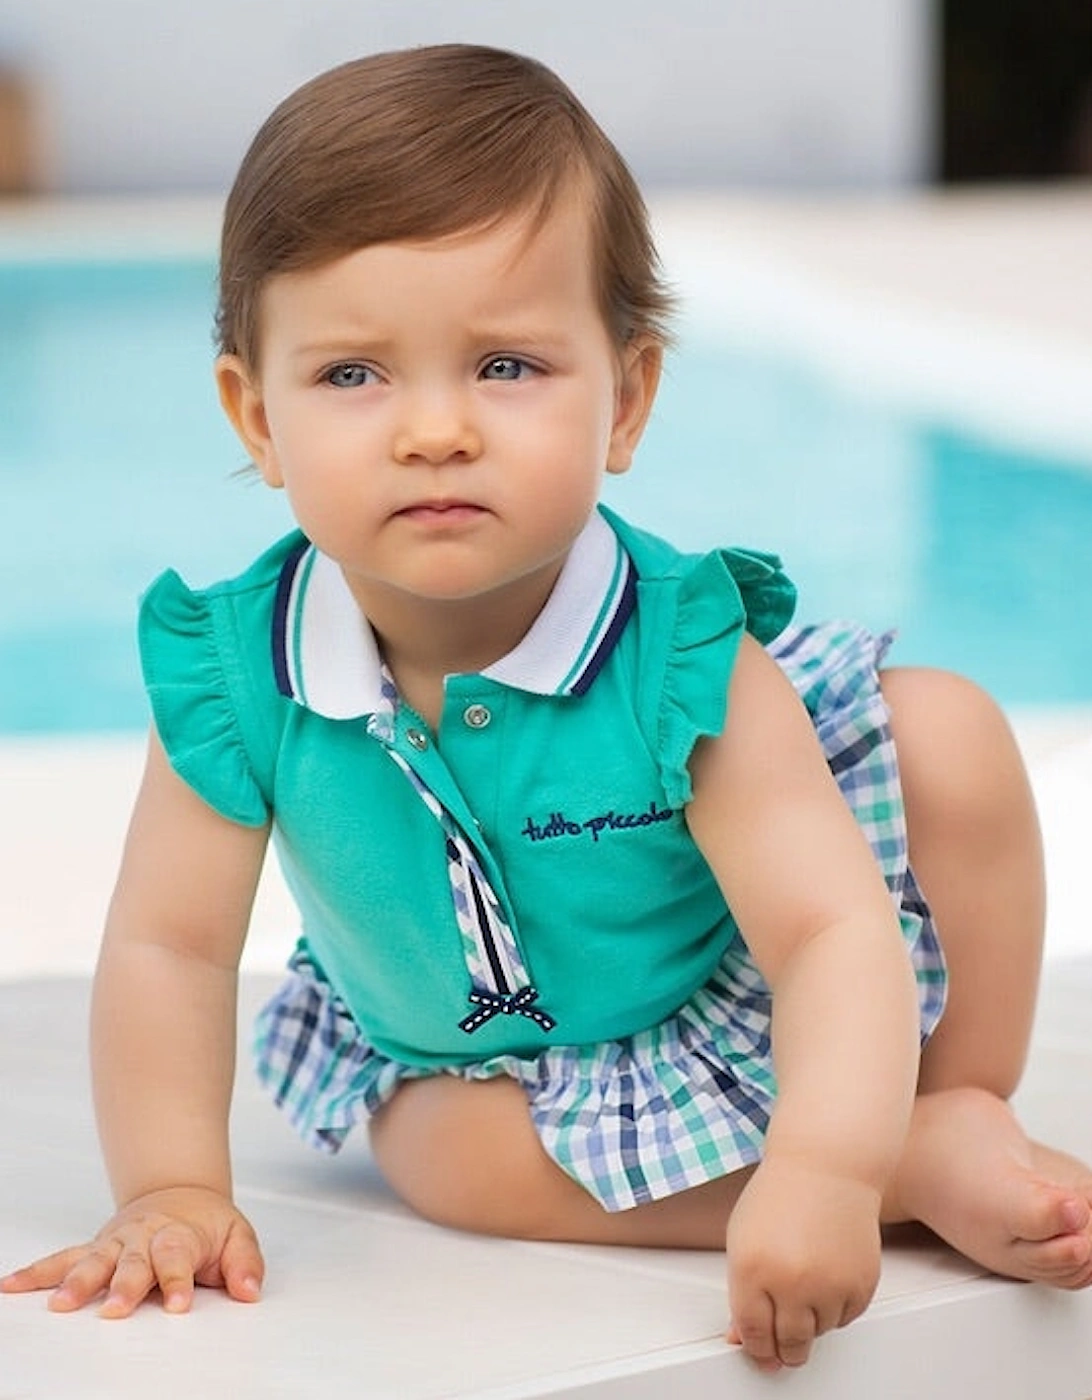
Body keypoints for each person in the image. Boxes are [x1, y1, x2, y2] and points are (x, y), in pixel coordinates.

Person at [3, 44, 1091, 1374]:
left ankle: (942, 1099)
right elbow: (169, 947)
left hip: (723, 960)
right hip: (484, 1057)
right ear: (257, 418)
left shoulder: (679, 648)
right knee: (452, 1168)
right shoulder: (241, 675)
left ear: (626, 399)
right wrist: (171, 1185)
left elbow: (822, 929)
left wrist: (820, 1164)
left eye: (507, 366)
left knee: (950, 733)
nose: (436, 430)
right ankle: (925, 1166)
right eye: (354, 375)